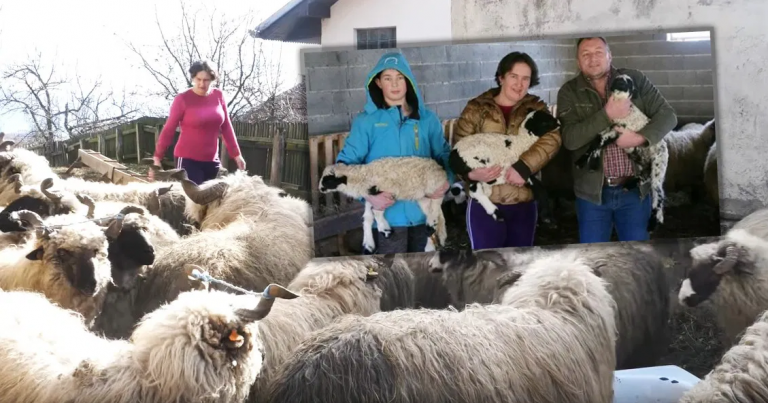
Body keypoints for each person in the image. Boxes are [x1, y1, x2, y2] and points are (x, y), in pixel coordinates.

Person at [556, 36, 677, 243]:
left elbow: (668, 116)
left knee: (636, 257)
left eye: (598, 52)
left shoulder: (635, 79)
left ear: (610, 56)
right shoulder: (569, 92)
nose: (593, 59)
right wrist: (607, 114)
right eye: (585, 54)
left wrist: (639, 138)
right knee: (593, 259)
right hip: (592, 195)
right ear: (578, 61)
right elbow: (570, 139)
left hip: (634, 192)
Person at [335, 52, 454, 254]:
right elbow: (343, 167)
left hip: (424, 214)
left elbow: (445, 156)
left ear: (408, 81)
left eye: (400, 77)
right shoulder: (367, 122)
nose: (395, 84)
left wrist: (446, 181)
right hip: (387, 218)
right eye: (388, 78)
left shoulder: (427, 120)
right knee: (392, 277)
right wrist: (369, 196)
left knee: (423, 275)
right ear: (379, 83)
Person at [452, 51, 561, 250]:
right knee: (487, 265)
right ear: (501, 77)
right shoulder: (477, 108)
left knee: (520, 267)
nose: (519, 84)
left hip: (523, 200)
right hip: (485, 202)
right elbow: (458, 148)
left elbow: (552, 137)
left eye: (525, 79)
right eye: (514, 77)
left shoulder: (535, 107)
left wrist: (524, 167)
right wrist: (470, 173)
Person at [151, 60, 246, 184]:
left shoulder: (218, 96)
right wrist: (157, 157)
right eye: (198, 79)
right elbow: (169, 129)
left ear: (212, 80)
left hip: (212, 161)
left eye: (206, 80)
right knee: (195, 199)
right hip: (187, 160)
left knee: (209, 201)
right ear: (193, 78)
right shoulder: (182, 99)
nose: (202, 84)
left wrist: (237, 155)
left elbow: (226, 126)